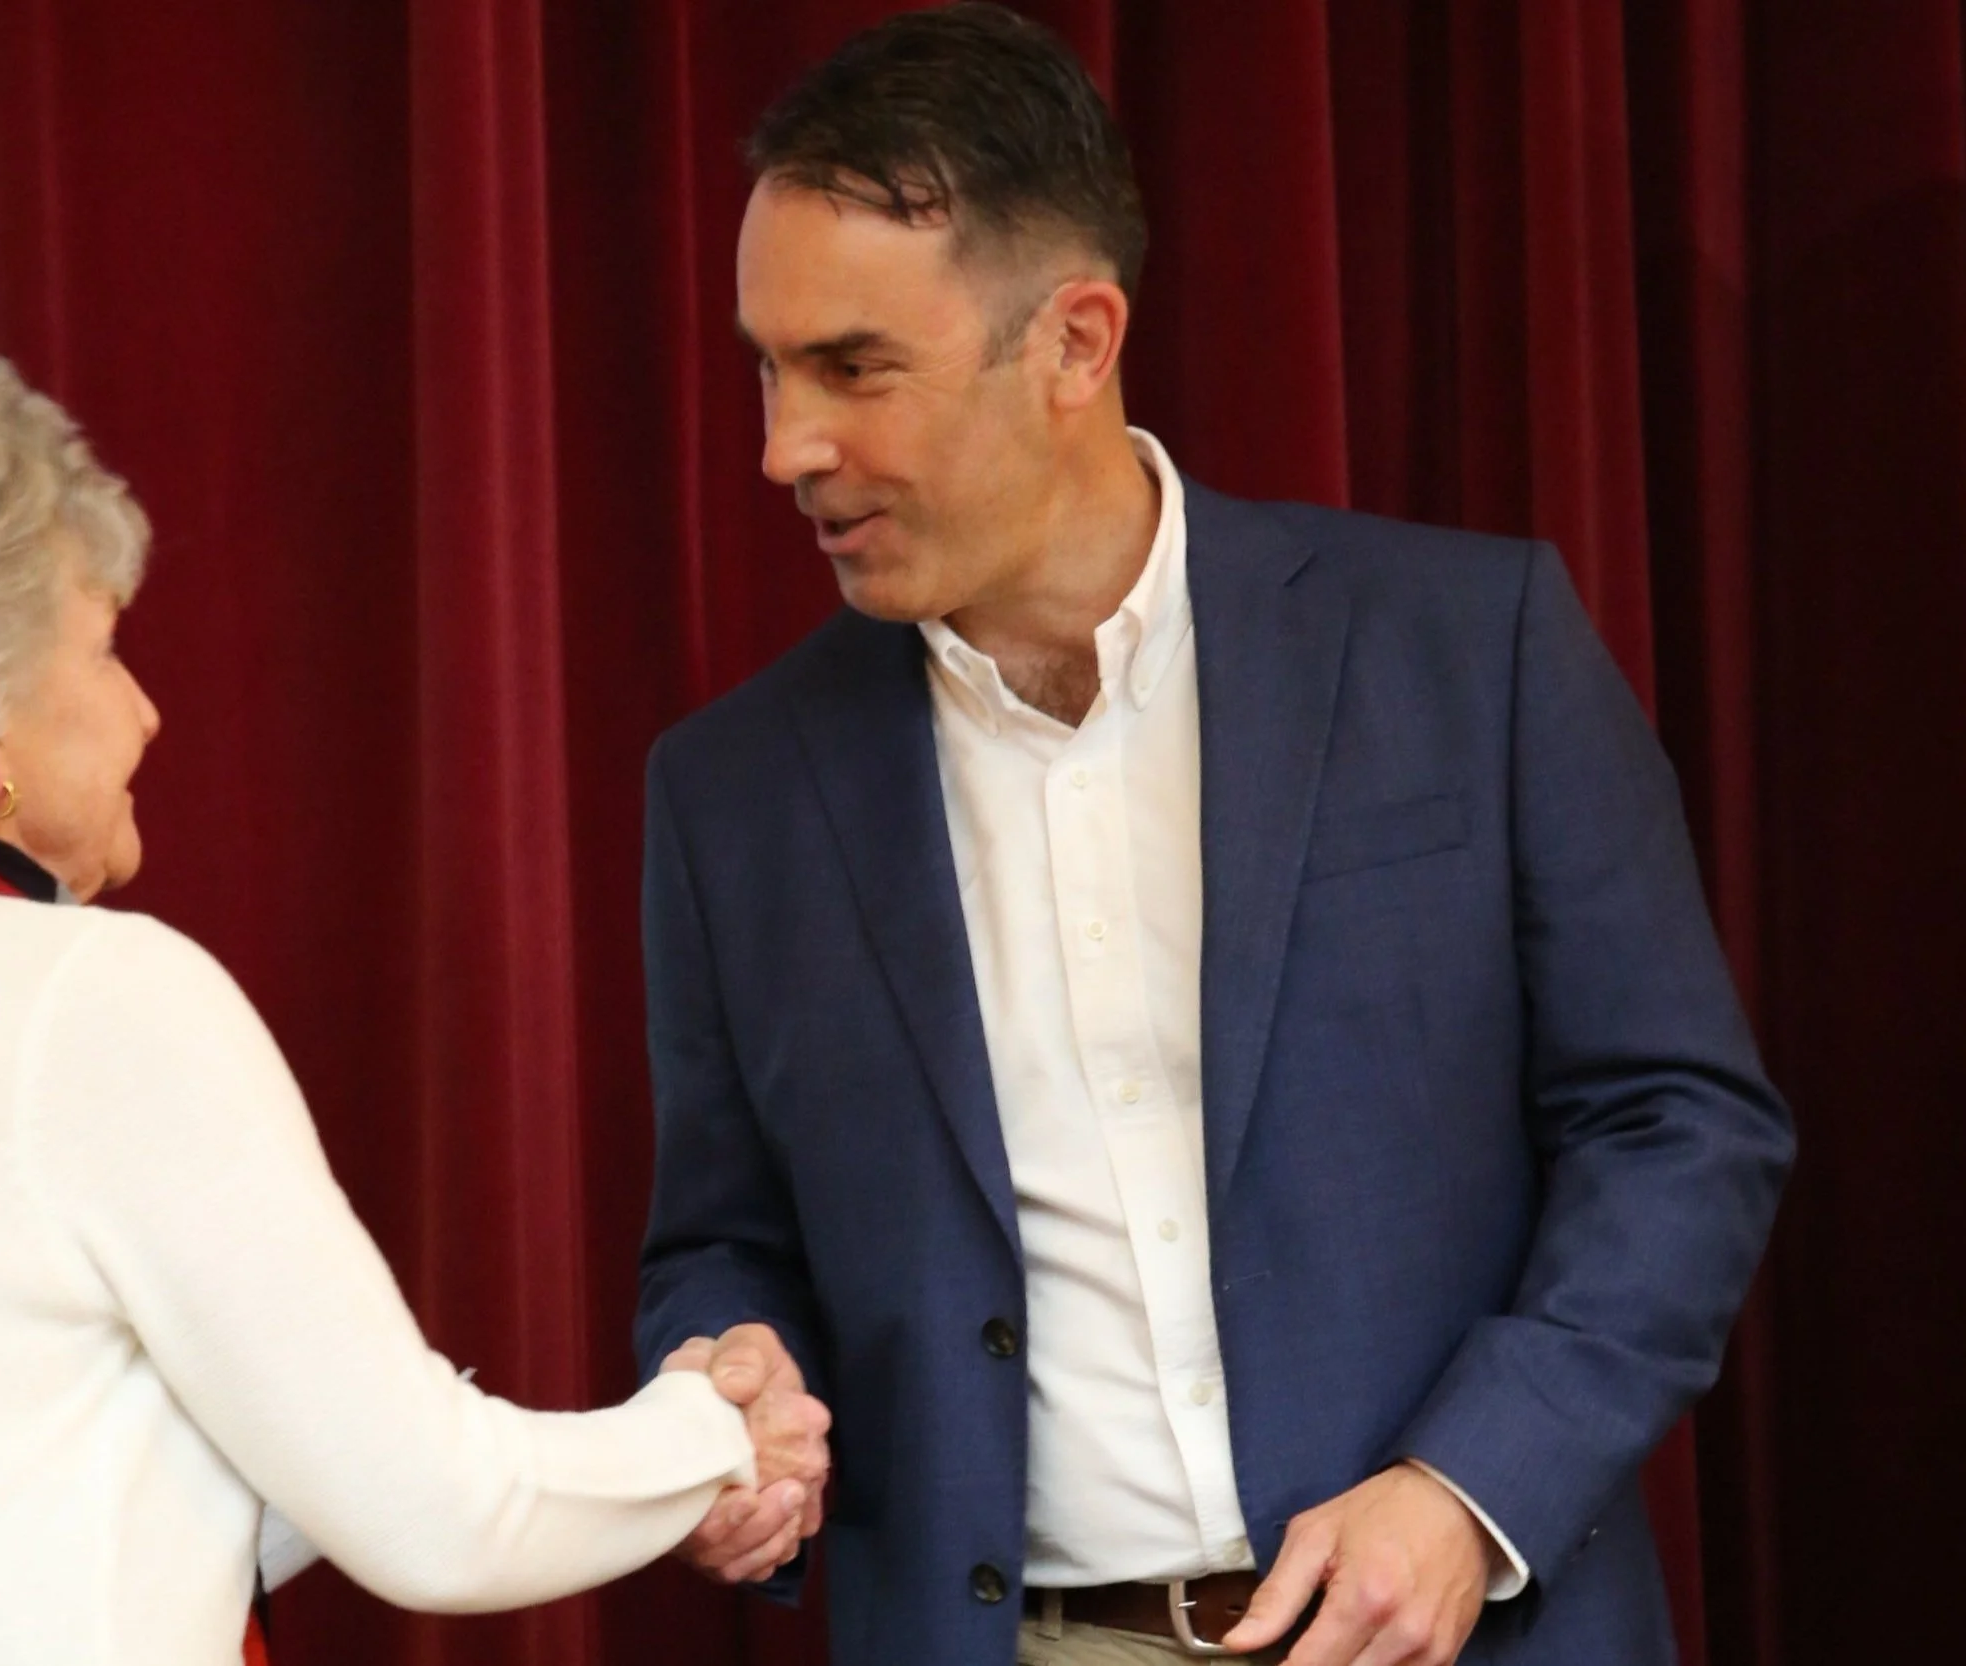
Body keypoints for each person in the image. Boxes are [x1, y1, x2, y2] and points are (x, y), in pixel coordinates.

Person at [632, 8, 1793, 1666]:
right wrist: (730, 1390)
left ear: (1075, 340)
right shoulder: (728, 794)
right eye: (767, 365)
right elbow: (722, 1240)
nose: (782, 446)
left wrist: (1469, 1489)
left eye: (852, 367)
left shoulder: (1471, 649)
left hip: (1462, 1628)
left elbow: (1677, 1122)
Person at [0, 348, 827, 1666]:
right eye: (105, 649)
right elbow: (438, 1513)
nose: (147, 712)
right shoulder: (86, 993)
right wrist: (708, 1433)